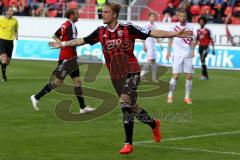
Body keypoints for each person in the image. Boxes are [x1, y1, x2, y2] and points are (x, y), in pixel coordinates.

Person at [49, 2, 192, 154]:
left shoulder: (128, 28)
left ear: (115, 14)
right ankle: (153, 124)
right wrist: (63, 44)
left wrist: (175, 34)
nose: (102, 14)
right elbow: (81, 40)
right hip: (116, 76)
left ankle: (128, 143)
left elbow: (153, 33)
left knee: (124, 102)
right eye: (102, 12)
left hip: (132, 71)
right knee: (134, 108)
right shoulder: (100, 31)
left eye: (106, 12)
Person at [30, 8, 95, 114]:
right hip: (67, 58)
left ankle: (82, 107)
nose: (78, 15)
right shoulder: (71, 26)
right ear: (71, 15)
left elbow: (55, 35)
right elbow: (72, 42)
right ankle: (36, 97)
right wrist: (64, 44)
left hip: (71, 57)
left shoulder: (65, 25)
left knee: (77, 81)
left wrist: (60, 43)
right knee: (57, 82)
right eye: (77, 14)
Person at [166, 9, 194, 105]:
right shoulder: (174, 27)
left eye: (184, 16)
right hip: (177, 54)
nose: (183, 18)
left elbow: (192, 40)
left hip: (188, 54)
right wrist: (168, 51)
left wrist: (193, 51)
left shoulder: (190, 27)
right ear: (178, 16)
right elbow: (170, 39)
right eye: (181, 16)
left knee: (189, 76)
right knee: (176, 76)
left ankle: (187, 97)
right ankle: (170, 95)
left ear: (186, 17)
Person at [140, 12, 162, 83]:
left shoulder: (154, 26)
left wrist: (160, 44)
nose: (153, 18)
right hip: (148, 45)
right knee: (149, 61)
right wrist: (144, 45)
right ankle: (141, 76)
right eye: (152, 17)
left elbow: (156, 36)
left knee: (154, 61)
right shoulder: (146, 25)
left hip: (153, 46)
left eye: (154, 17)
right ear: (149, 17)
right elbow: (141, 36)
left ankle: (154, 78)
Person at [0, 6, 18, 81]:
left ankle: (2, 64)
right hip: (1, 40)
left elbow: (16, 29)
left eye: (12, 11)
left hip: (10, 41)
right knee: (4, 57)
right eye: (10, 11)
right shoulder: (1, 20)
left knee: (7, 62)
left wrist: (17, 37)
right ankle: (4, 77)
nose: (12, 12)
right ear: (6, 11)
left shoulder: (15, 20)